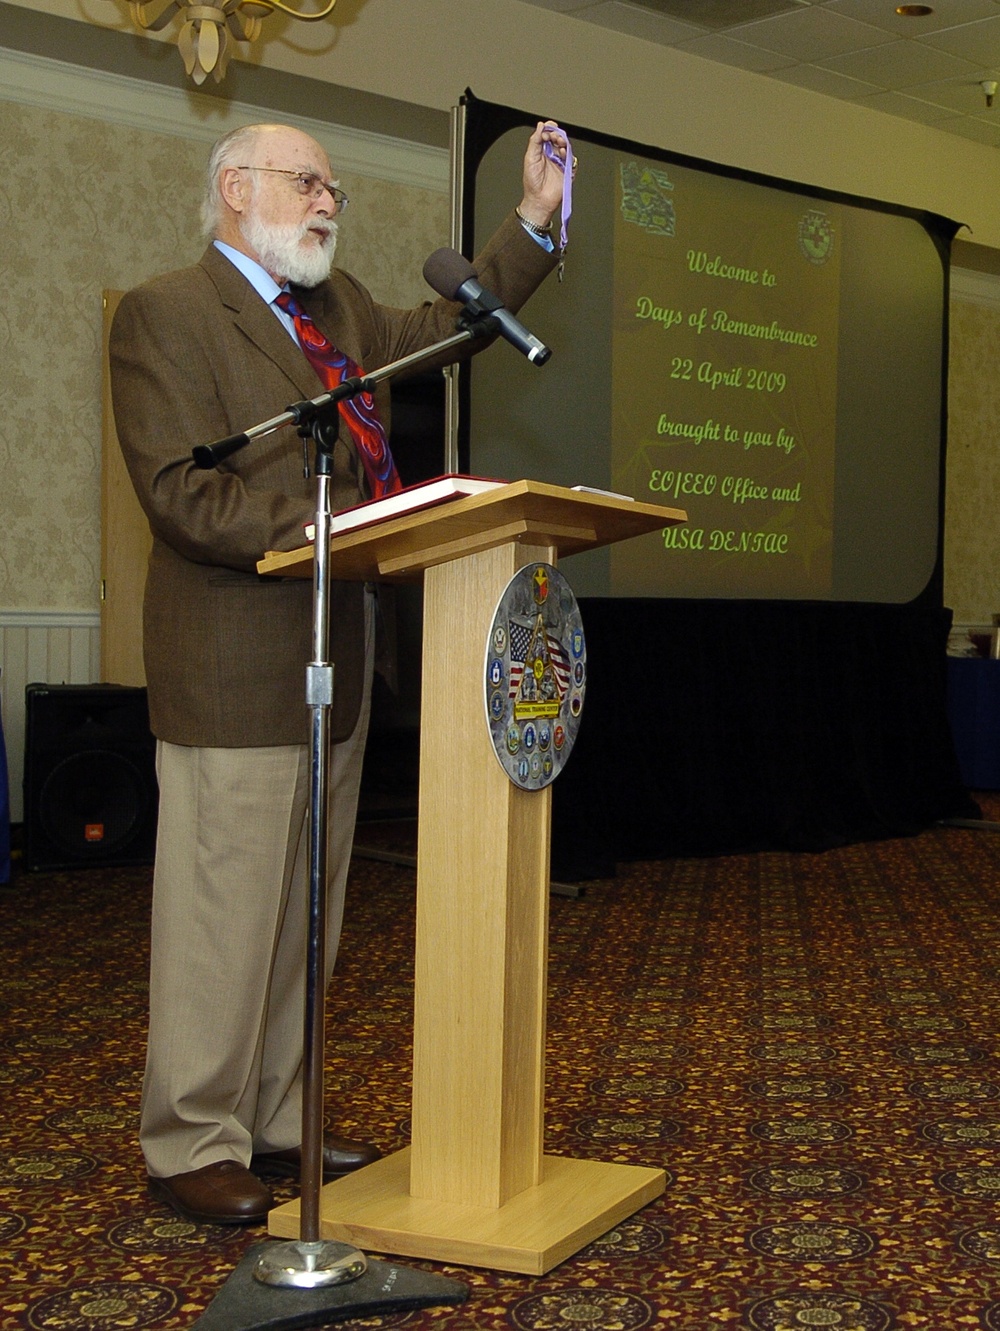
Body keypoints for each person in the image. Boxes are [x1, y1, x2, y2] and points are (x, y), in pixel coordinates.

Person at [109, 118, 571, 1225]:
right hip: (232, 668)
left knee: (301, 917)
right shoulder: (166, 312)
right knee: (224, 920)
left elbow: (441, 332)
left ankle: (271, 1120)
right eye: (306, 181)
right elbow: (183, 493)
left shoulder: (338, 308)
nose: (328, 201)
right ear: (236, 188)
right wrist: (349, 521)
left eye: (332, 188)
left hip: (334, 662)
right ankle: (187, 1139)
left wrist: (533, 226)